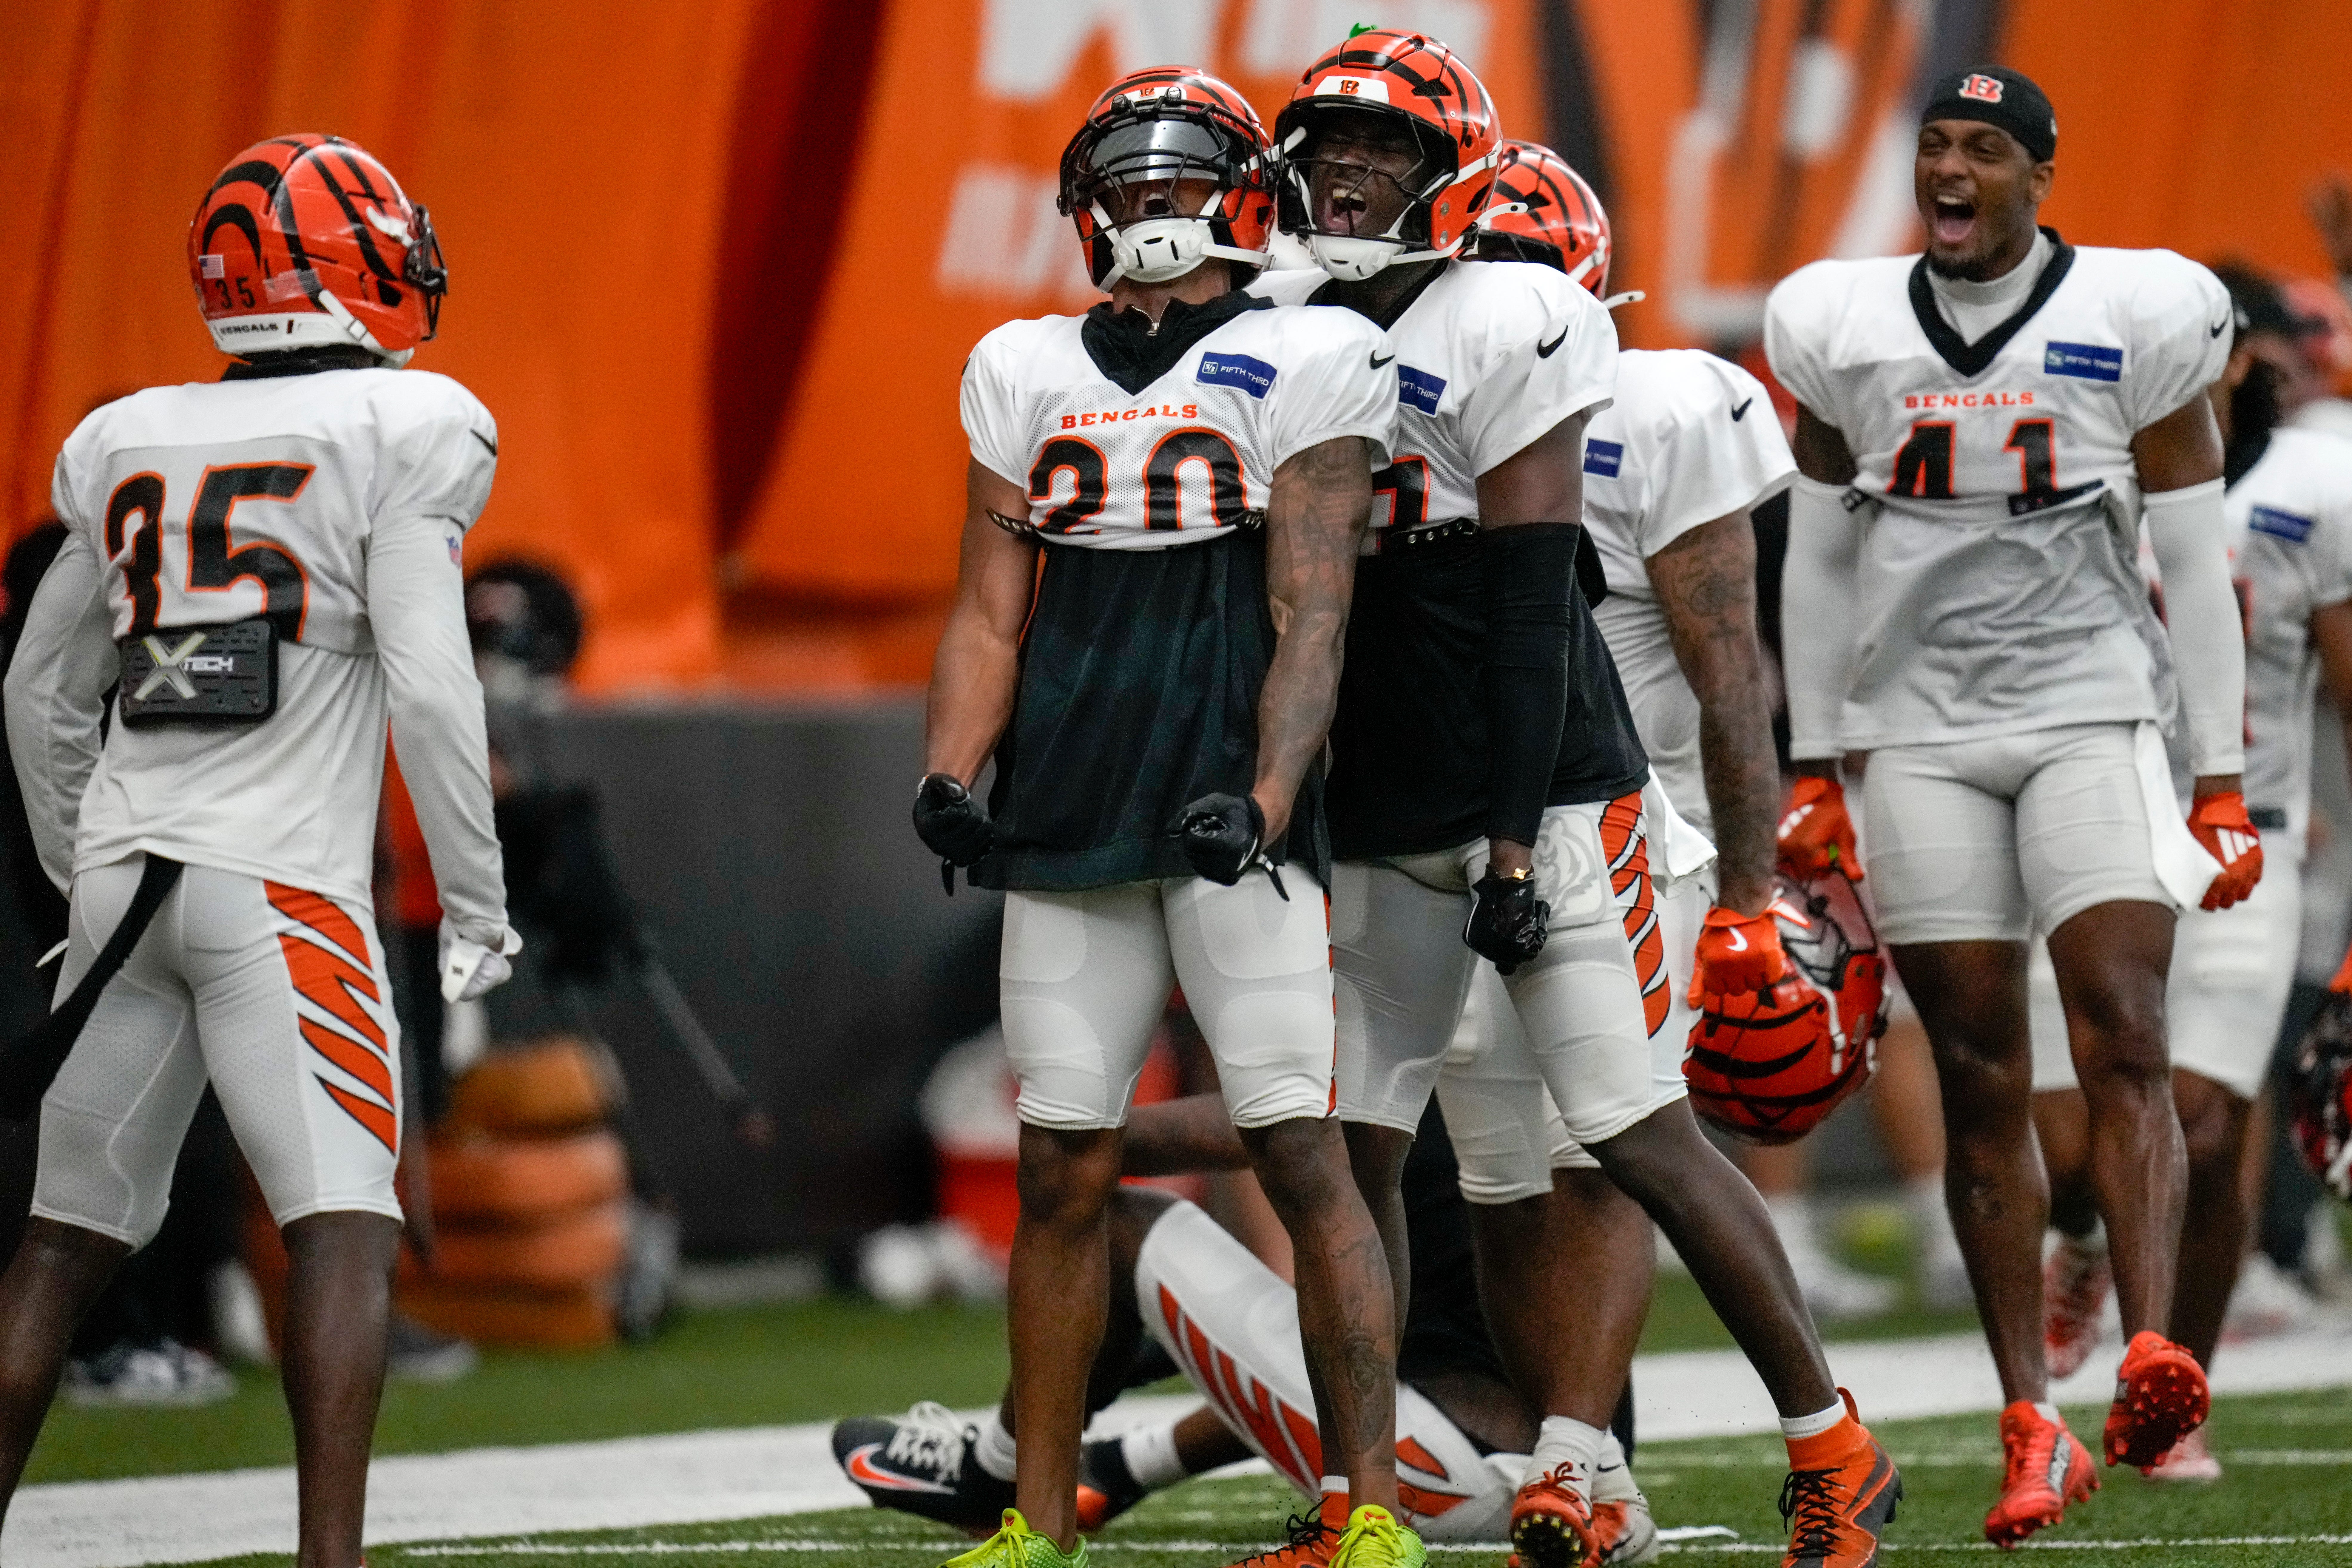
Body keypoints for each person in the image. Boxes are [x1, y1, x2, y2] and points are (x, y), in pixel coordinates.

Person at [1255, 35, 1897, 1568]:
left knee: (1633, 1128)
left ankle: (1831, 1439)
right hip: (1384, 799)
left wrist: (1517, 835)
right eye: (1330, 144)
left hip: (1550, 794)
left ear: (1453, 173)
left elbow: (1543, 592)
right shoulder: (1284, 319)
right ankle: (1373, 1508)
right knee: (1377, 1153)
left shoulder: (1519, 317)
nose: (1351, 172)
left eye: (1386, 149)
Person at [914, 67, 1414, 1568]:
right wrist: (950, 772)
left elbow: (1313, 608)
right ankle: (1034, 1523)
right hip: (1067, 810)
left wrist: (1266, 795)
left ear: (1236, 193)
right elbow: (990, 612)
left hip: (1222, 813)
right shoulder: (1023, 366)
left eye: (1167, 179)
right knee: (1060, 1162)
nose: (1142, 207)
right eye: (1119, 185)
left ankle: (1368, 1506)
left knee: (1298, 1150)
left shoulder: (1306, 354)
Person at [0, 135, 515, 1568]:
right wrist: (475, 897)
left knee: (59, 1243)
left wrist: (76, 875)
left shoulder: (125, 437)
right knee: (346, 1228)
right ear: (350, 263)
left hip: (124, 882)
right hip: (280, 890)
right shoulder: (409, 425)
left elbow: (43, 689)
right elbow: (428, 680)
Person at [1767, 66, 2255, 1544]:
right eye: (1936, 148)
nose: (1951, 170)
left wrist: (2221, 781)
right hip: (1916, 733)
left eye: (1984, 148)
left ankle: (2156, 1350)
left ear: (2044, 175)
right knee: (1978, 1071)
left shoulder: (2136, 313)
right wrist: (1814, 763)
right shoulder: (1843, 324)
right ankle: (2031, 1413)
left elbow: (2198, 547)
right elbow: (1818, 557)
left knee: (2125, 1025)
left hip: (2088, 710)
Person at [2030, 265, 2352, 1479]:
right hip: (2088, 810)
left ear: (2244, 354)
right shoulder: (2073, 454)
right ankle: (2080, 1242)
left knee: (2207, 1121)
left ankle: (2175, 1386)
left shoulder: (2319, 483)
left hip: (2241, 830)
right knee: (2070, 1147)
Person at [831, 1096, 1604, 1550]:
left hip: (1439, 1472)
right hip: (1571, 1478)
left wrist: (1066, 1137)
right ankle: (1110, 1462)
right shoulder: (1495, 1019)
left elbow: (1274, 1124)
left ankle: (999, 1468)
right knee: (1350, 1321)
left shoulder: (1402, 1019)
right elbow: (1357, 1359)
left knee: (1108, 1223)